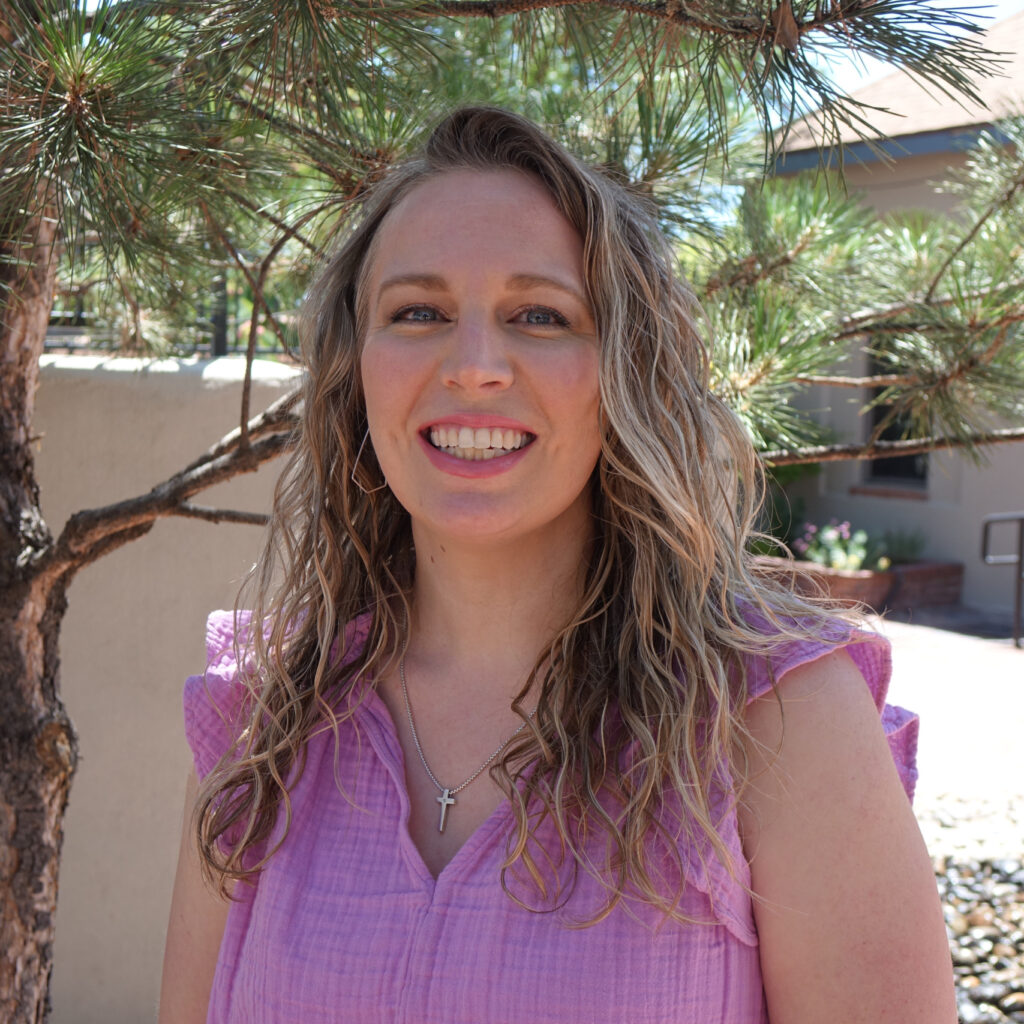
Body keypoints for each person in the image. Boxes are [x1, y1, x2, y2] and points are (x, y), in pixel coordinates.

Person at [159, 107, 956, 1023]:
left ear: (626, 372)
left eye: (539, 315)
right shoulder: (261, 721)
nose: (475, 366)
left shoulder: (775, 718)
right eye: (418, 311)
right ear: (356, 366)